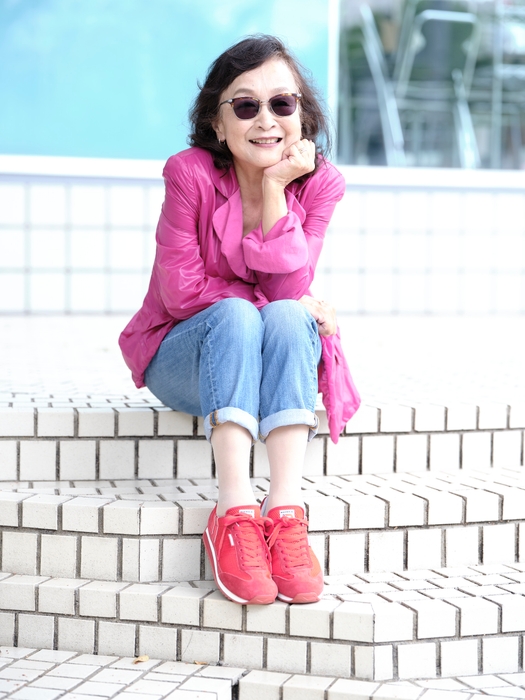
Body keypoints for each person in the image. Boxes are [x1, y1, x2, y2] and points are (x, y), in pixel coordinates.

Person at [119, 35, 360, 606]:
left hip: (259, 349)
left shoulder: (320, 183)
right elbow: (181, 293)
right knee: (238, 315)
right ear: (217, 123)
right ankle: (233, 511)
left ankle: (284, 511)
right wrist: (258, 304)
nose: (266, 120)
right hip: (181, 356)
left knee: (287, 316)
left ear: (302, 115)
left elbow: (287, 292)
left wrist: (275, 187)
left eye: (282, 103)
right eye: (246, 105)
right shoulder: (189, 173)